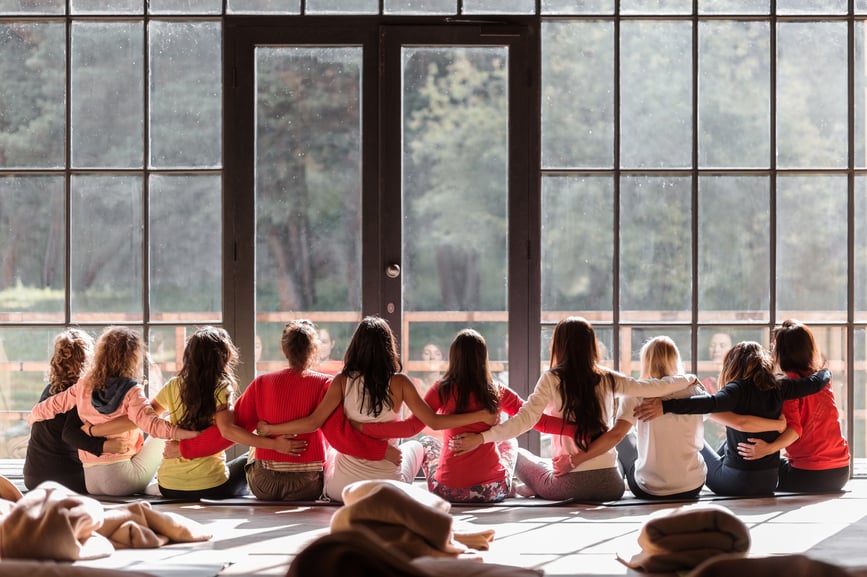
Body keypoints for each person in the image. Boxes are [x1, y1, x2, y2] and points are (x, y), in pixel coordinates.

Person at [451, 317, 699, 502]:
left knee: (515, 450)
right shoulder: (608, 378)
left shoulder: (552, 378)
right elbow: (651, 387)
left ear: (559, 345)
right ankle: (537, 485)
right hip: (611, 485)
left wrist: (481, 438)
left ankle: (535, 487)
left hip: (568, 487)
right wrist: (687, 378)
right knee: (615, 445)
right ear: (591, 345)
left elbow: (523, 420)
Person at [256, 316, 497, 502]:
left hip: (343, 490)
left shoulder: (341, 381)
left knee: (332, 451)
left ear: (355, 346)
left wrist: (271, 428)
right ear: (388, 347)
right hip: (387, 488)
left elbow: (312, 423)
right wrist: (480, 415)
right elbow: (432, 422)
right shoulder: (400, 382)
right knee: (418, 446)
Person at [170, 320, 404, 501]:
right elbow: (339, 436)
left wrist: (184, 448)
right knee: (331, 451)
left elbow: (228, 431)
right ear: (314, 350)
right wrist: (381, 450)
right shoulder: (325, 384)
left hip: (264, 487)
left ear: (284, 349)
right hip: (307, 487)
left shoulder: (262, 383)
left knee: (251, 448)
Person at [357, 328, 576, 503]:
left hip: (448, 491)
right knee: (509, 441)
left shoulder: (441, 389)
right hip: (492, 491)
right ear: (484, 359)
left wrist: (366, 429)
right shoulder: (496, 391)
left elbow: (412, 426)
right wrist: (577, 428)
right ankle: (513, 487)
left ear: (454, 358)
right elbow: (536, 419)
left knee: (428, 444)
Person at [634, 340, 832, 497]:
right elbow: (814, 383)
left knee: (698, 441)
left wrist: (665, 406)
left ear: (734, 364)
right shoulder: (780, 386)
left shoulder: (737, 389)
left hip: (736, 483)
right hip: (770, 482)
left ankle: (667, 476)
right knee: (727, 438)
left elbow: (706, 403)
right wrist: (826, 371)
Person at [27, 326, 199, 496]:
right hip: (91, 480)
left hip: (62, 479)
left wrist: (33, 415)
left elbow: (50, 407)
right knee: (163, 425)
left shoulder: (69, 388)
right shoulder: (120, 392)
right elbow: (152, 425)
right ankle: (173, 480)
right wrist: (193, 435)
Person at [153, 326, 297, 500]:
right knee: (250, 456)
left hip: (168, 486)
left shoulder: (173, 385)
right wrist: (275, 445)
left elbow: (149, 415)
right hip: (210, 487)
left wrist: (171, 431)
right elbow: (228, 431)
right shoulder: (220, 388)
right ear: (223, 357)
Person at [735, 320, 850, 493]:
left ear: (783, 351)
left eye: (774, 346)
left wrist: (768, 449)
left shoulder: (789, 387)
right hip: (841, 472)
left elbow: (795, 430)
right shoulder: (820, 381)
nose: (772, 350)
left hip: (811, 475)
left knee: (757, 467)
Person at [23, 329, 132, 494]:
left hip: (32, 477)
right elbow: (70, 434)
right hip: (65, 478)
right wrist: (103, 446)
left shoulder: (50, 389)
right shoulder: (80, 395)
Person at [613, 336, 707, 500]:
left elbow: (617, 435)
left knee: (621, 436)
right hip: (693, 486)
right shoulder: (696, 391)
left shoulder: (636, 394)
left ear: (646, 362)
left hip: (650, 489)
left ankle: (617, 479)